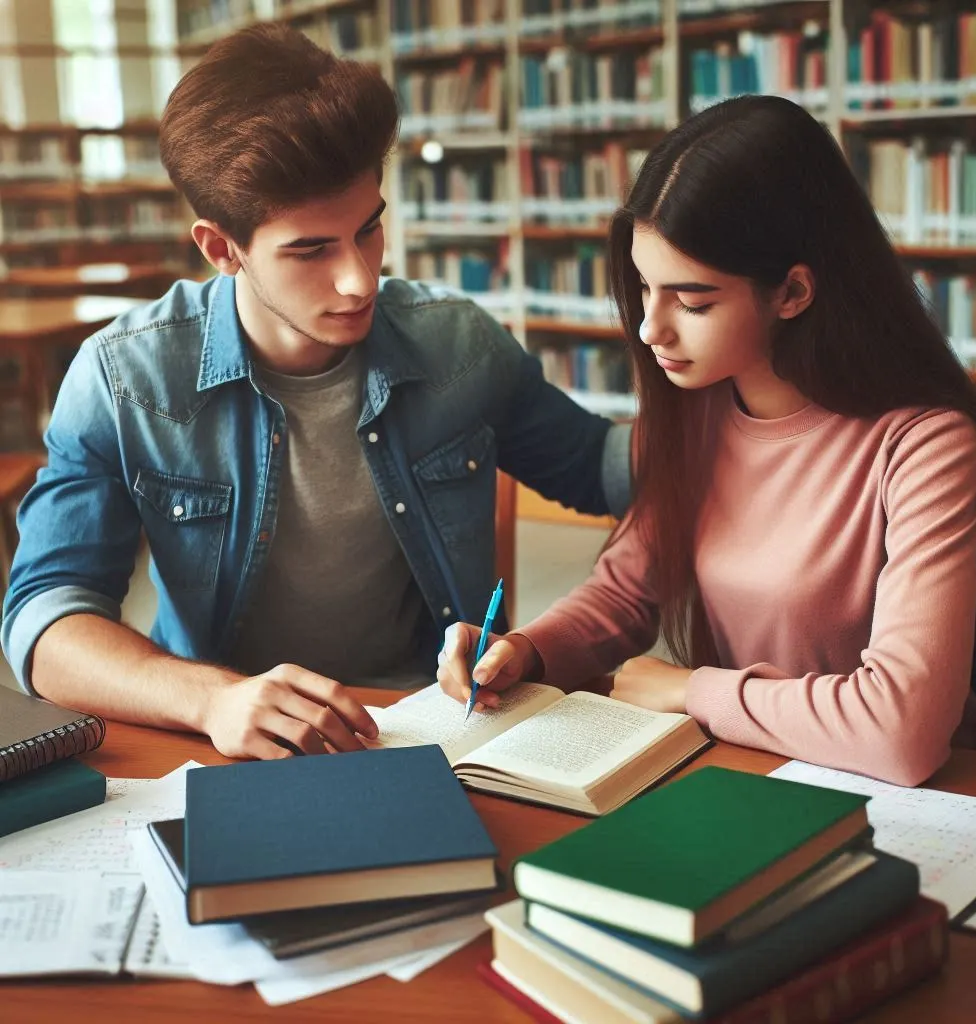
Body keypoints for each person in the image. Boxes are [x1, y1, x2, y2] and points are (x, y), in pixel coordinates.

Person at [1, 25, 631, 762]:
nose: (360, 278)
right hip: (229, 740)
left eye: (368, 231)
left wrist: (750, 395)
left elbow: (603, 469)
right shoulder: (124, 381)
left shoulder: (457, 343)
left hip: (429, 731)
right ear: (221, 248)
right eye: (311, 249)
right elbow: (45, 624)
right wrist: (212, 698)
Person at [438, 95, 976, 787]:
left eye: (692, 301)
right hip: (754, 771)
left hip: (916, 800)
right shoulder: (695, 412)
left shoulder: (924, 444)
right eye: (644, 287)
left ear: (794, 292)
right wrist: (524, 652)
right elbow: (624, 593)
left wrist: (692, 692)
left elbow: (903, 730)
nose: (652, 328)